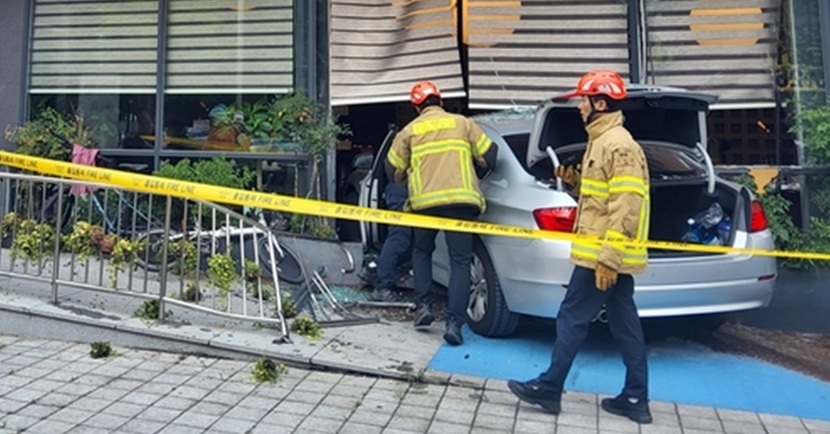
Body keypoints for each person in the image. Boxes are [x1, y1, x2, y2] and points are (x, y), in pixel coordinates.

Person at [506, 70, 653, 424]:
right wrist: (573, 181)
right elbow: (601, 195)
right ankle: (636, 397)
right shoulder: (603, 142)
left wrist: (609, 258)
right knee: (625, 325)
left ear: (600, 103)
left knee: (572, 317)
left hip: (601, 256)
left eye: (584, 100)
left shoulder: (618, 145)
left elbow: (626, 205)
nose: (579, 107)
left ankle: (550, 387)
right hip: (605, 254)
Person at [386, 80, 497, 345]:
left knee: (422, 251)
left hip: (425, 204)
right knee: (460, 261)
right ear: (441, 101)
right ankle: (454, 324)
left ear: (416, 107)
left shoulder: (410, 131)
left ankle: (423, 307)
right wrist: (475, 171)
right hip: (461, 202)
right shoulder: (462, 123)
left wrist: (409, 176)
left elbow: (392, 170)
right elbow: (491, 155)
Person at [369, 181, 412, 302]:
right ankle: (383, 287)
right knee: (398, 240)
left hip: (406, 192)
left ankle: (379, 270)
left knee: (409, 244)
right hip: (402, 191)